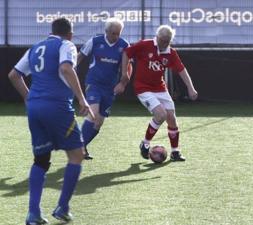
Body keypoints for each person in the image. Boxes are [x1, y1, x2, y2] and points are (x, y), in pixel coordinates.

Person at [8, 18, 94, 224]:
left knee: (41, 160)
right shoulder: (67, 45)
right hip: (57, 106)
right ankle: (62, 208)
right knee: (77, 154)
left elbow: (14, 75)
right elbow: (66, 68)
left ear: (51, 31)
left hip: (35, 108)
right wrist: (82, 99)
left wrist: (29, 99)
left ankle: (33, 214)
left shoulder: (35, 47)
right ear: (70, 34)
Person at [114, 25, 198, 161]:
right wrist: (124, 74)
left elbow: (182, 70)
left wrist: (191, 87)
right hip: (143, 88)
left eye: (168, 41)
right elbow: (126, 53)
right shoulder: (145, 45)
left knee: (171, 118)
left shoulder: (170, 52)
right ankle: (145, 143)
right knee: (161, 114)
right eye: (163, 40)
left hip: (160, 88)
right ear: (157, 37)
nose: (165, 43)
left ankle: (175, 152)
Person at [77, 17, 130, 160]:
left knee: (98, 122)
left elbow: (127, 69)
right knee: (93, 113)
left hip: (110, 88)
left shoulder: (124, 45)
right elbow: (80, 57)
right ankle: (78, 148)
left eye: (118, 33)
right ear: (106, 31)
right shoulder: (95, 41)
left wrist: (122, 83)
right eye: (113, 33)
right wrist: (68, 69)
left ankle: (82, 146)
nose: (115, 36)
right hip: (93, 83)